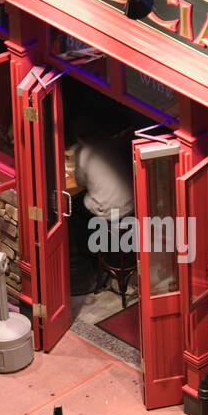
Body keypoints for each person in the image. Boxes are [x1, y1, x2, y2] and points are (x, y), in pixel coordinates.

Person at [69, 115, 134, 291]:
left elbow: (80, 182)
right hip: (133, 206)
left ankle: (88, 254)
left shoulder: (82, 153)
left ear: (78, 137)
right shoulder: (110, 141)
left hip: (114, 214)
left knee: (77, 208)